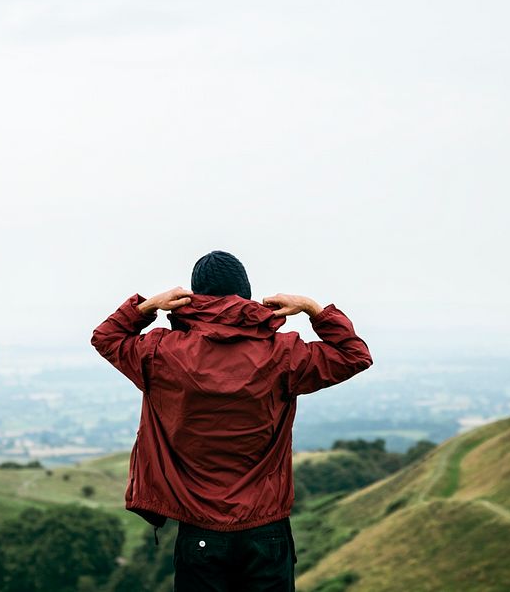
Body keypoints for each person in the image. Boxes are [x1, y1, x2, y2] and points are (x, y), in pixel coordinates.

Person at [90, 250, 373, 591]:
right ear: (247, 294)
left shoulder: (160, 353)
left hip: (199, 530)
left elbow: (107, 337)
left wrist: (146, 307)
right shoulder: (282, 353)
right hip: (266, 529)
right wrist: (313, 309)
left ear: (191, 298)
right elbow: (353, 355)